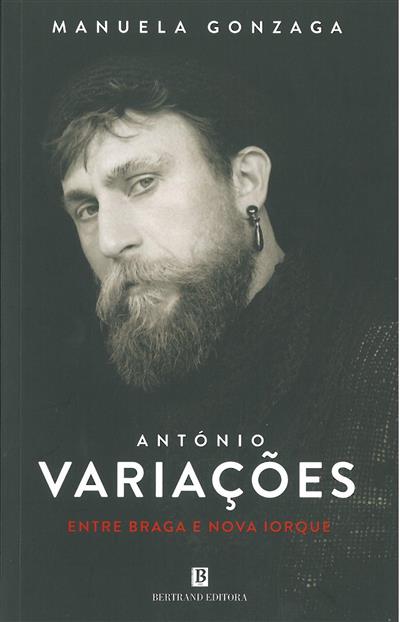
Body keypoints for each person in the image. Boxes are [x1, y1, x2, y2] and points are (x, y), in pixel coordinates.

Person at [43, 55, 396, 621]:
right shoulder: (91, 415)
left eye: (142, 183)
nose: (109, 241)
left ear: (245, 181)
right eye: (87, 208)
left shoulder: (382, 372)